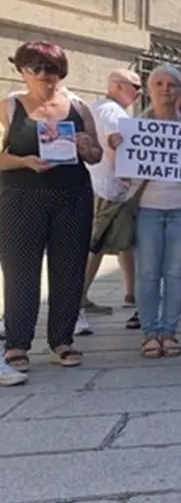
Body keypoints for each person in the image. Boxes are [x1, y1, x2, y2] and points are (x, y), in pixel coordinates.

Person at [0, 41, 104, 379]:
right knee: (20, 270)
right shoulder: (9, 107)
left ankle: (62, 339)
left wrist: (89, 147)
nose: (45, 76)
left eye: (52, 69)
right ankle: (17, 342)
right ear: (22, 71)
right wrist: (22, 160)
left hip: (73, 195)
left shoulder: (78, 106)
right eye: (36, 68)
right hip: (21, 196)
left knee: (70, 268)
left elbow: (96, 155)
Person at [108, 65, 181, 357]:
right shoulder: (132, 127)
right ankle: (150, 332)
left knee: (177, 271)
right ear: (150, 88)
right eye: (159, 84)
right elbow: (124, 174)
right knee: (148, 272)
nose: (166, 89)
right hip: (147, 208)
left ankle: (169, 331)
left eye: (172, 85)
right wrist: (116, 148)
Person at [81, 69, 142, 329]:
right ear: (118, 86)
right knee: (96, 244)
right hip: (109, 187)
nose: (139, 93)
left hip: (103, 184)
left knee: (126, 240)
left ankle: (132, 291)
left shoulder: (99, 107)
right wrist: (130, 179)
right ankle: (79, 295)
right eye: (135, 87)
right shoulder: (113, 113)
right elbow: (119, 148)